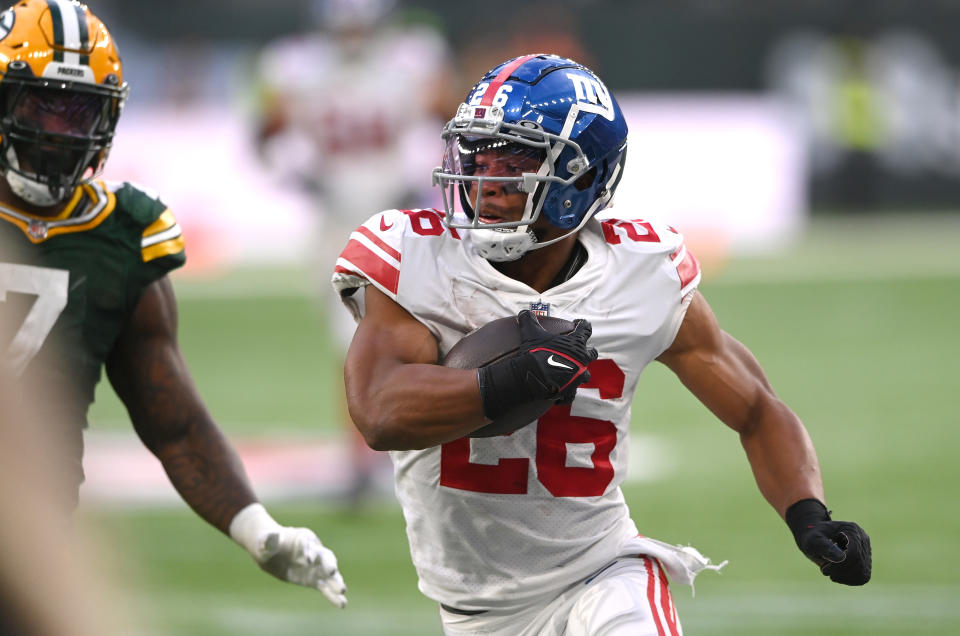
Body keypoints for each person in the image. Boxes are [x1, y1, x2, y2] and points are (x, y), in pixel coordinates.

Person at [332, 53, 871, 634]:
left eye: (513, 161)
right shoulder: (417, 258)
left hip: (604, 574)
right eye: (477, 156)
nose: (486, 182)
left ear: (580, 174)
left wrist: (809, 515)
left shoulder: (640, 272)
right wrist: (511, 380)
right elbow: (380, 411)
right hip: (477, 612)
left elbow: (758, 408)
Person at [0, 0, 346, 609]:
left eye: (79, 111)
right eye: (42, 105)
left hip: (36, 539)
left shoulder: (121, 235)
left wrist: (256, 528)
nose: (59, 132)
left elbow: (173, 420)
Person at [254, 0, 454, 504]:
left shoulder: (408, 61)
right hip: (344, 220)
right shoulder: (299, 68)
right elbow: (265, 135)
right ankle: (362, 458)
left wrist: (421, 178)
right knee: (353, 340)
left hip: (397, 216)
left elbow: (455, 123)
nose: (353, 37)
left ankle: (414, 448)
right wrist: (296, 175)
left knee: (427, 329)